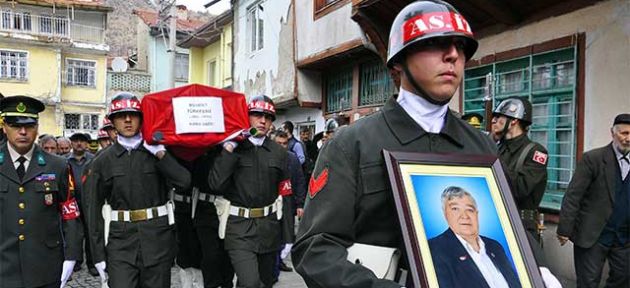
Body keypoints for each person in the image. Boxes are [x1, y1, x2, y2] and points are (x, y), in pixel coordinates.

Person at [291, 2, 497, 287]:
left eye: (461, 47)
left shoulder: (481, 147)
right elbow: (315, 250)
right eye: (435, 44)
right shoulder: (352, 144)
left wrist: (535, 271)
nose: (452, 55)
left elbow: (506, 230)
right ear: (398, 61)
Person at [85, 92, 191, 288]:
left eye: (133, 114)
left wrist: (160, 153)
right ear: (112, 122)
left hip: (157, 238)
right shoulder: (102, 161)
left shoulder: (157, 152)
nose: (127, 120)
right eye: (121, 115)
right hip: (120, 242)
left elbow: (184, 181)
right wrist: (97, 254)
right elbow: (93, 211)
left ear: (142, 119)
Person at [208, 95, 291, 288]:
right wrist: (229, 148)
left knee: (266, 282)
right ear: (246, 117)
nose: (262, 121)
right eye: (256, 115)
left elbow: (285, 195)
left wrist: (288, 237)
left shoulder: (279, 153)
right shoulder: (232, 148)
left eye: (268, 117)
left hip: (269, 227)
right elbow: (216, 184)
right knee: (250, 282)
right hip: (238, 227)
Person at [0, 95, 82, 288]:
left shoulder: (58, 165)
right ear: (4, 127)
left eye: (29, 126)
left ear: (37, 128)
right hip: (3, 266)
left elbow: (70, 214)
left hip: (45, 266)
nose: (22, 132)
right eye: (15, 125)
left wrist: (71, 256)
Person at [557, 113, 630, 288]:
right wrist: (564, 229)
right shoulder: (593, 159)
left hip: (624, 238)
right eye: (624, 133)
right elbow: (574, 195)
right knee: (588, 283)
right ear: (613, 133)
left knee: (623, 279)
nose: (628, 139)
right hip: (593, 235)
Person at [428, 186, 521, 288]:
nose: (464, 216)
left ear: (477, 214)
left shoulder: (494, 246)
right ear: (445, 214)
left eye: (470, 210)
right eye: (455, 209)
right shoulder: (435, 249)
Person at [173, 146, 235, 288]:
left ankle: (226, 284)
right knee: (210, 255)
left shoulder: (233, 150)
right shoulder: (201, 152)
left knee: (227, 256)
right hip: (204, 209)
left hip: (228, 209)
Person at [491, 97, 548, 241]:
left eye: (499, 117)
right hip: (497, 221)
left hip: (522, 226)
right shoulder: (498, 147)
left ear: (514, 121)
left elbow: (520, 189)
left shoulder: (535, 152)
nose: (494, 121)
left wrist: (493, 155)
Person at [273, 131, 307, 277]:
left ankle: (278, 261)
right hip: (270, 204)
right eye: (278, 143)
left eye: (285, 143)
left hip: (287, 203)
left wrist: (300, 204)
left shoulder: (293, 159)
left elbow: (299, 181)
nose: (282, 146)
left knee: (286, 236)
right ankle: (273, 266)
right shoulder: (264, 156)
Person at [67, 132, 97, 275]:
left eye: (82, 141)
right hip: (71, 201)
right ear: (71, 143)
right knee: (74, 234)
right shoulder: (64, 161)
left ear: (87, 144)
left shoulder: (94, 159)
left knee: (91, 232)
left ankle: (92, 263)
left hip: (90, 201)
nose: (79, 143)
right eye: (76, 140)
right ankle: (76, 261)